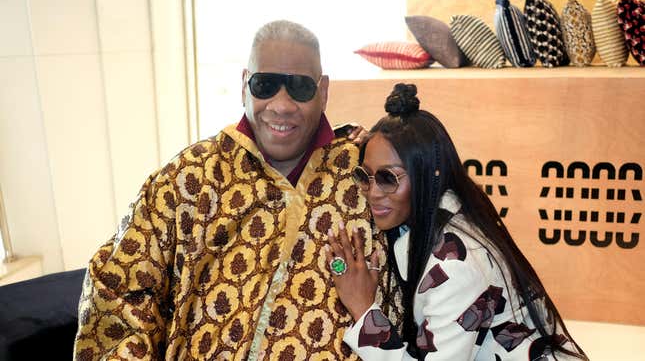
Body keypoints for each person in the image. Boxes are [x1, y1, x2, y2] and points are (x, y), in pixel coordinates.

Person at [73, 20, 385, 360]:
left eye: (299, 87)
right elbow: (117, 290)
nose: (281, 105)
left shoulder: (364, 179)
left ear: (323, 91)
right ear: (243, 86)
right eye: (265, 85)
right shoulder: (188, 178)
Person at [324, 83, 588, 360]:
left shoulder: (456, 267)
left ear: (428, 175)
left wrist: (363, 308)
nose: (372, 192)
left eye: (388, 178)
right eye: (364, 176)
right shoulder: (445, 214)